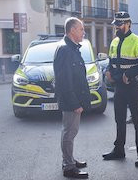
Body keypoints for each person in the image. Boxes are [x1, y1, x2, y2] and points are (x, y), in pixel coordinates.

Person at [103, 11, 138, 167]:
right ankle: (119, 150)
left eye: (120, 24)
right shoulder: (114, 41)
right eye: (116, 24)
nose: (117, 27)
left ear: (128, 24)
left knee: (137, 121)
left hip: (133, 86)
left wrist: (129, 74)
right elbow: (111, 61)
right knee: (119, 119)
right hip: (119, 87)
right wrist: (108, 71)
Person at [53, 17, 90, 179]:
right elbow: (64, 81)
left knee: (71, 132)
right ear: (72, 30)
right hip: (71, 101)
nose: (83, 32)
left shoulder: (72, 48)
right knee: (69, 132)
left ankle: (69, 160)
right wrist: (75, 103)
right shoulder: (65, 50)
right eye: (81, 29)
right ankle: (68, 167)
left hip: (74, 99)